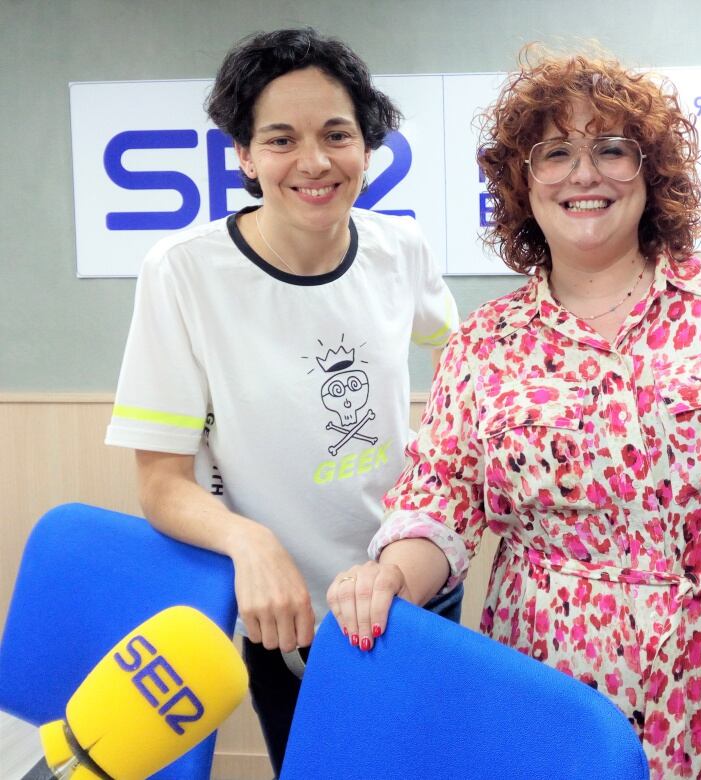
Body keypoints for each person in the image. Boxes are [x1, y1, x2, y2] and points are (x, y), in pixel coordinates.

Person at [328, 49, 701, 779]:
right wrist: (391, 577)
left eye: (612, 149)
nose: (585, 175)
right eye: (556, 153)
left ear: (652, 171)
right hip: (558, 680)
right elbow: (439, 508)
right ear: (523, 182)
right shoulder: (486, 343)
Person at [105, 28, 461, 775]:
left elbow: (461, 373)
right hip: (290, 613)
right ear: (243, 155)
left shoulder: (403, 250)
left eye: (338, 134)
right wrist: (249, 542)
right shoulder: (184, 273)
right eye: (280, 138)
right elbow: (160, 484)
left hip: (416, 596)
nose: (314, 161)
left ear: (368, 149)